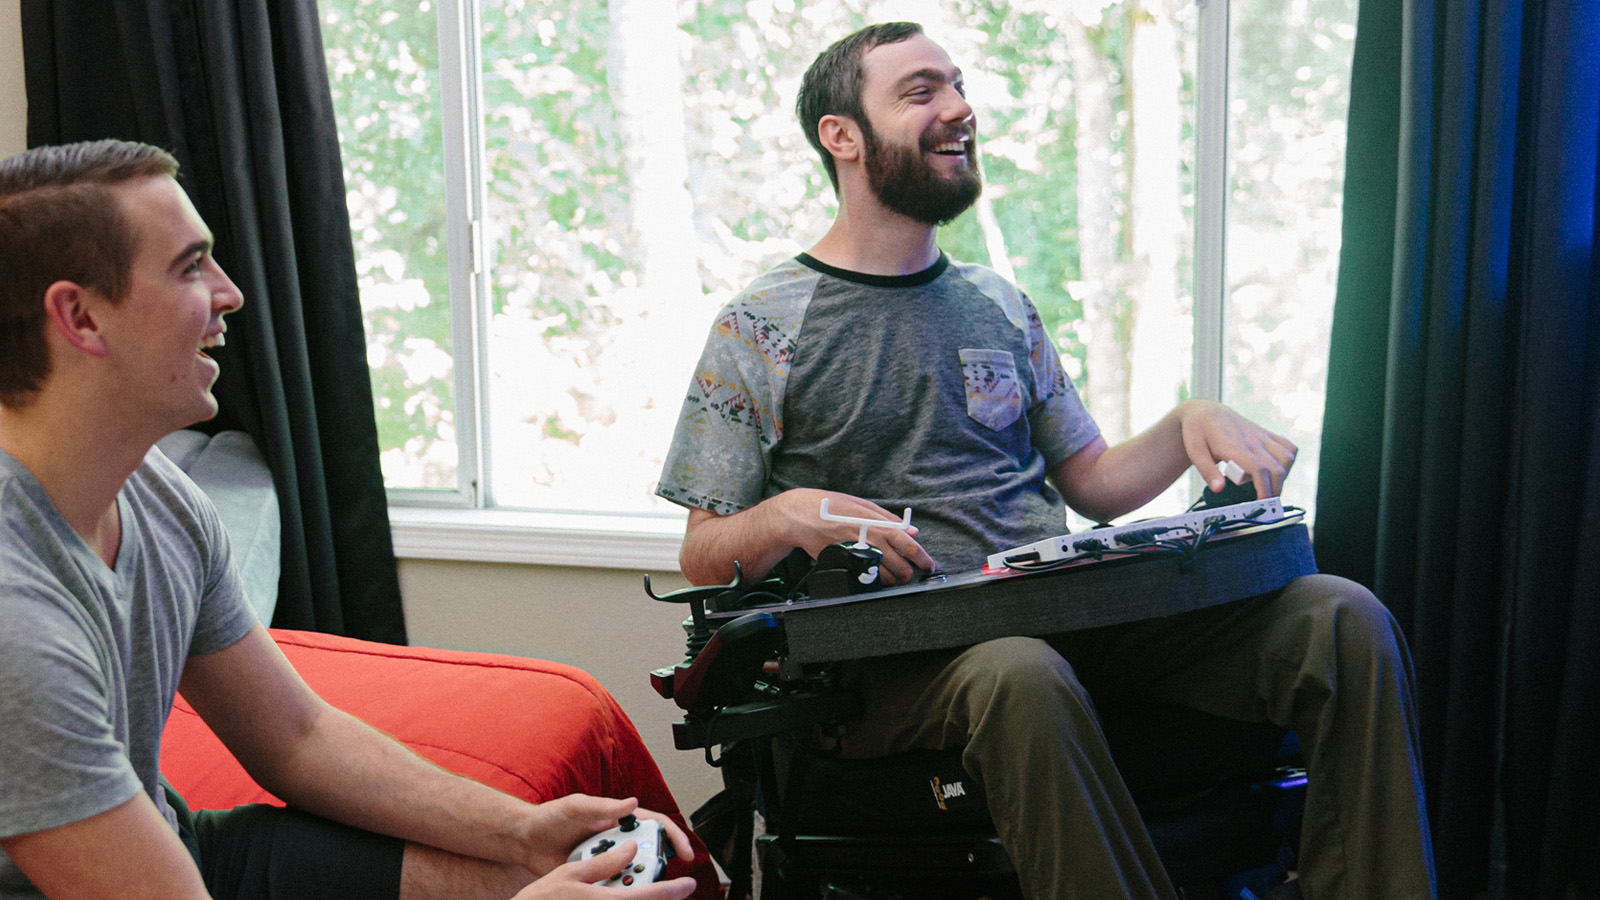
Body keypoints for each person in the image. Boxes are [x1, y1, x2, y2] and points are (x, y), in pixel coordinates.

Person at [656, 22, 1436, 900]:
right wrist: (788, 513)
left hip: (1069, 623)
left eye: (957, 86)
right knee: (1020, 670)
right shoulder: (761, 323)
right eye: (921, 93)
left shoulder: (999, 304)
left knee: (1340, 617)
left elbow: (1094, 485)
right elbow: (703, 550)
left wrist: (1189, 421)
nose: (959, 109)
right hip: (897, 671)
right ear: (842, 136)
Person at [0, 140, 697, 900]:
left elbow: (298, 739)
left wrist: (518, 830)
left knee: (553, 874)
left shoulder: (157, 494)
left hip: (181, 850)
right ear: (80, 316)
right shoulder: (15, 625)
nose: (230, 293)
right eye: (191, 266)